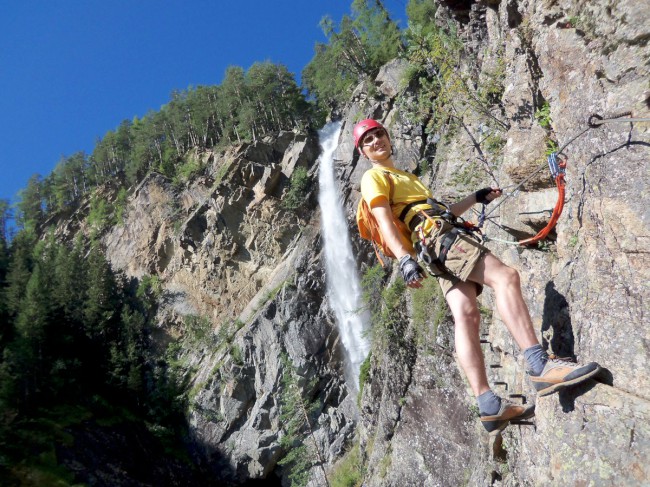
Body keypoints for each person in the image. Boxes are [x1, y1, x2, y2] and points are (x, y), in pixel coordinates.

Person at [353, 119, 602, 435]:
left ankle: (487, 404)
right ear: (363, 151)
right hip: (438, 241)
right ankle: (540, 365)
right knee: (506, 277)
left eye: (379, 134)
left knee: (466, 315)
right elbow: (384, 220)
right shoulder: (374, 176)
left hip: (433, 243)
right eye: (368, 141)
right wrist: (403, 260)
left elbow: (440, 212)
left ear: (388, 137)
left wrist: (475, 198)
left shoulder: (405, 178)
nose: (375, 141)